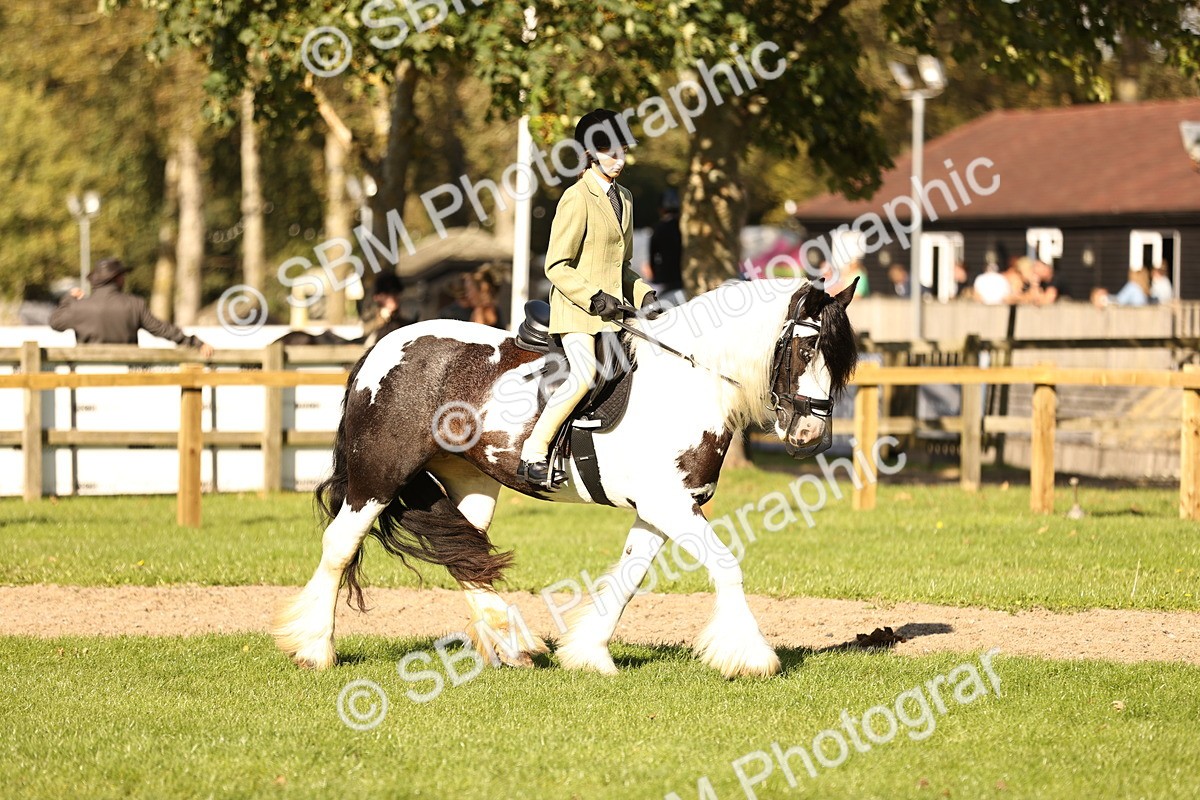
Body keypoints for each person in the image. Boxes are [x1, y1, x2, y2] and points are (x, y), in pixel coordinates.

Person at [517, 108, 661, 489]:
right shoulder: (575, 198)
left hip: (614, 312)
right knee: (583, 377)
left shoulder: (625, 198)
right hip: (578, 312)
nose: (620, 160)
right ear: (590, 153)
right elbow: (557, 265)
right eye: (611, 153)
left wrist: (645, 295)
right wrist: (594, 297)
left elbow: (623, 265)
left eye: (623, 152)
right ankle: (534, 450)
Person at [50, 258, 214, 357]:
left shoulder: (79, 308)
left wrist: (69, 299)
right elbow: (162, 329)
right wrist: (193, 342)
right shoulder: (135, 305)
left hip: (86, 381)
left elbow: (55, 322)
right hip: (125, 380)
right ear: (119, 279)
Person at [646, 189, 684, 305]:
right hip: (684, 275)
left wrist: (655, 274)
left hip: (666, 278)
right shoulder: (685, 227)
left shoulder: (658, 228)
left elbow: (652, 254)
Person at [362, 271, 412, 347]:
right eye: (390, 295)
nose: (395, 298)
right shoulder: (371, 314)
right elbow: (366, 333)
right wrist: (379, 321)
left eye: (396, 294)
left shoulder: (403, 313)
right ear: (378, 297)